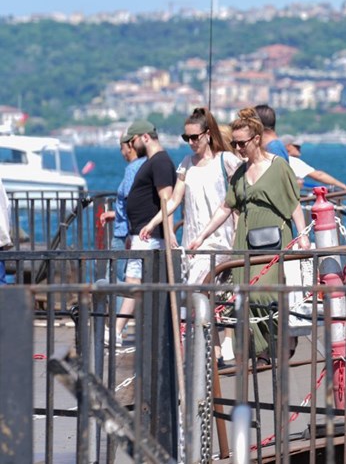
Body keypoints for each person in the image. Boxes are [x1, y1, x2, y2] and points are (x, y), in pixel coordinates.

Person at [188, 107, 311, 357]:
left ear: (256, 139)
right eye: (234, 144)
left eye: (242, 143)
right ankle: (262, 352)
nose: (238, 148)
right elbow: (226, 207)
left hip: (273, 237)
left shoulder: (278, 167)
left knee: (262, 293)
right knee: (242, 295)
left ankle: (275, 345)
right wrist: (202, 235)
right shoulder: (241, 173)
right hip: (245, 236)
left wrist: (303, 235)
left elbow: (294, 203)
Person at [139, 108, 241, 285]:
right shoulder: (187, 163)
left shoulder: (226, 160)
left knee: (196, 288)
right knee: (194, 297)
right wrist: (152, 223)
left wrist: (237, 235)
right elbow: (174, 200)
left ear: (207, 135)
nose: (191, 142)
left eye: (195, 137)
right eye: (187, 138)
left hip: (220, 242)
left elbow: (237, 202)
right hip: (192, 242)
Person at [112, 120, 176, 345]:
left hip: (148, 236)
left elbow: (166, 199)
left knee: (135, 281)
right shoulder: (152, 161)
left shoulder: (159, 161)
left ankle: (117, 331)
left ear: (145, 137)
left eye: (134, 139)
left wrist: (167, 232)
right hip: (142, 234)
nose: (132, 144)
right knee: (138, 282)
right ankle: (127, 330)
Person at [99, 130, 147, 309]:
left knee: (117, 280)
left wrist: (128, 231)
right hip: (128, 229)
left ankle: (116, 328)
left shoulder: (133, 169)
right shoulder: (144, 166)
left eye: (122, 148)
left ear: (130, 147)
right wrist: (115, 214)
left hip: (124, 233)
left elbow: (131, 202)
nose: (121, 153)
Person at [282, 136, 346, 191]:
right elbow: (319, 175)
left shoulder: (276, 159)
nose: (299, 148)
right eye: (297, 146)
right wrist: (343, 186)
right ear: (288, 147)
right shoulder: (292, 161)